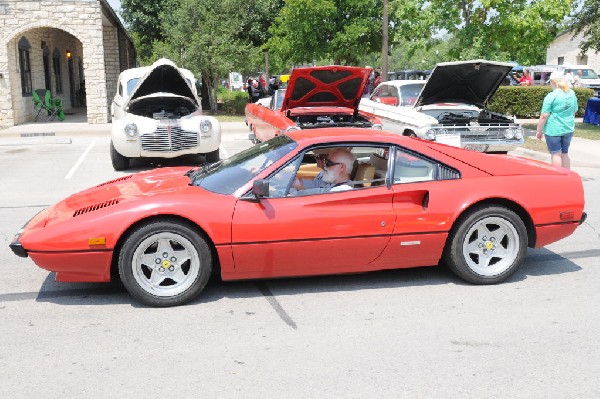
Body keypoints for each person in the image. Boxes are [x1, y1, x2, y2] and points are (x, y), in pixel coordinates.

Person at [536, 71, 579, 169]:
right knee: (565, 153)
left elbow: (544, 116)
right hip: (568, 128)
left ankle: (558, 177)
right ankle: (567, 176)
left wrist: (539, 131)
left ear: (553, 82)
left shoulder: (551, 96)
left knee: (556, 154)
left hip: (553, 130)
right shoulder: (571, 93)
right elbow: (574, 111)